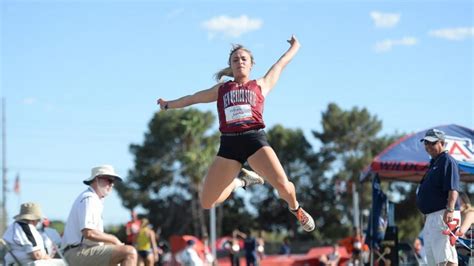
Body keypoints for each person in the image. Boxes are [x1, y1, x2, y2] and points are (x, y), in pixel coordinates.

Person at [157, 35, 315, 232]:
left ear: (251, 65)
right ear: (230, 66)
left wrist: (296, 46)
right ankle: (242, 181)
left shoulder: (261, 84)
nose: (239, 62)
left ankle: (296, 208)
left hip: (254, 140)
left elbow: (281, 64)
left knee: (283, 186)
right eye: (235, 59)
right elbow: (192, 98)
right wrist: (168, 105)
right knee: (207, 201)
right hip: (229, 145)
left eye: (243, 59)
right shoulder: (222, 89)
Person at [61, 165, 138, 266]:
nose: (112, 185)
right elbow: (89, 233)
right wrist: (114, 239)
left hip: (78, 251)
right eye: (109, 180)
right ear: (97, 179)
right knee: (129, 252)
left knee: (120, 253)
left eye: (113, 182)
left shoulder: (93, 199)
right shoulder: (89, 198)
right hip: (76, 253)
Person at [415, 128, 461, 266]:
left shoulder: (447, 161)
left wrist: (450, 209)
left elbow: (453, 189)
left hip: (444, 214)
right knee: (434, 260)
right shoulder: (434, 162)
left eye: (432, 143)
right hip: (432, 216)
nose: (428, 146)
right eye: (426, 143)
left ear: (442, 143)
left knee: (446, 258)